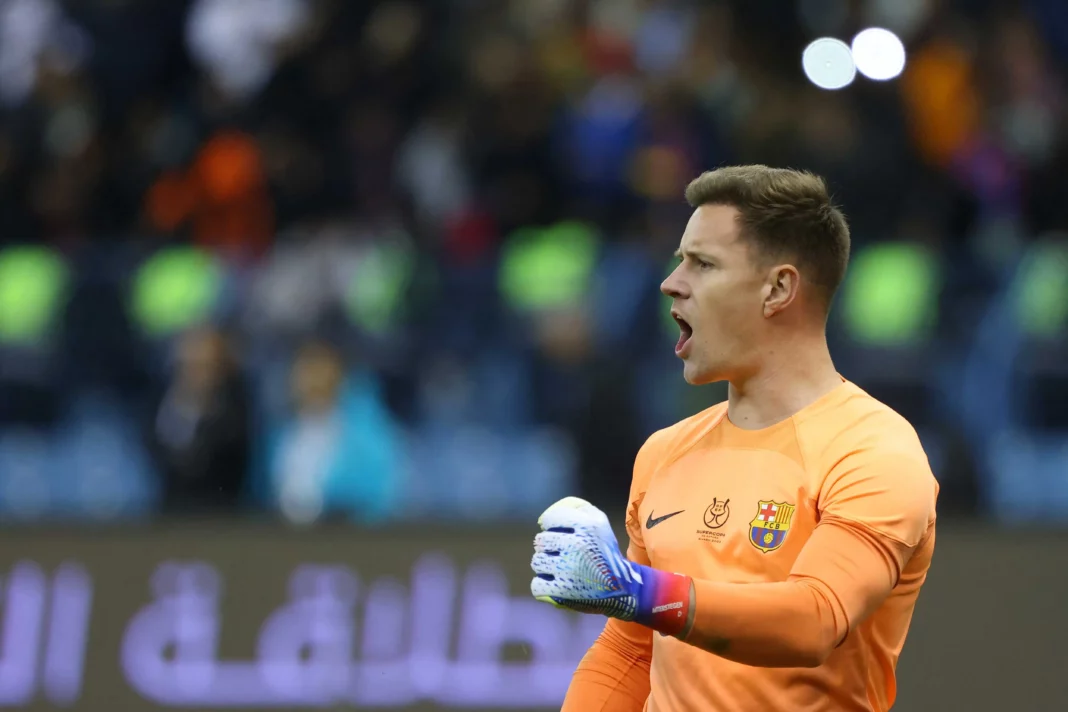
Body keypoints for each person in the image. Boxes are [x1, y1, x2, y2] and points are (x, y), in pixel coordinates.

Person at [530, 165, 939, 711]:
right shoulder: (663, 453)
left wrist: (641, 591)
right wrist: (635, 602)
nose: (671, 281)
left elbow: (813, 620)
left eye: (702, 263)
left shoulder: (874, 452)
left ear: (778, 288)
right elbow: (631, 653)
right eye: (680, 260)